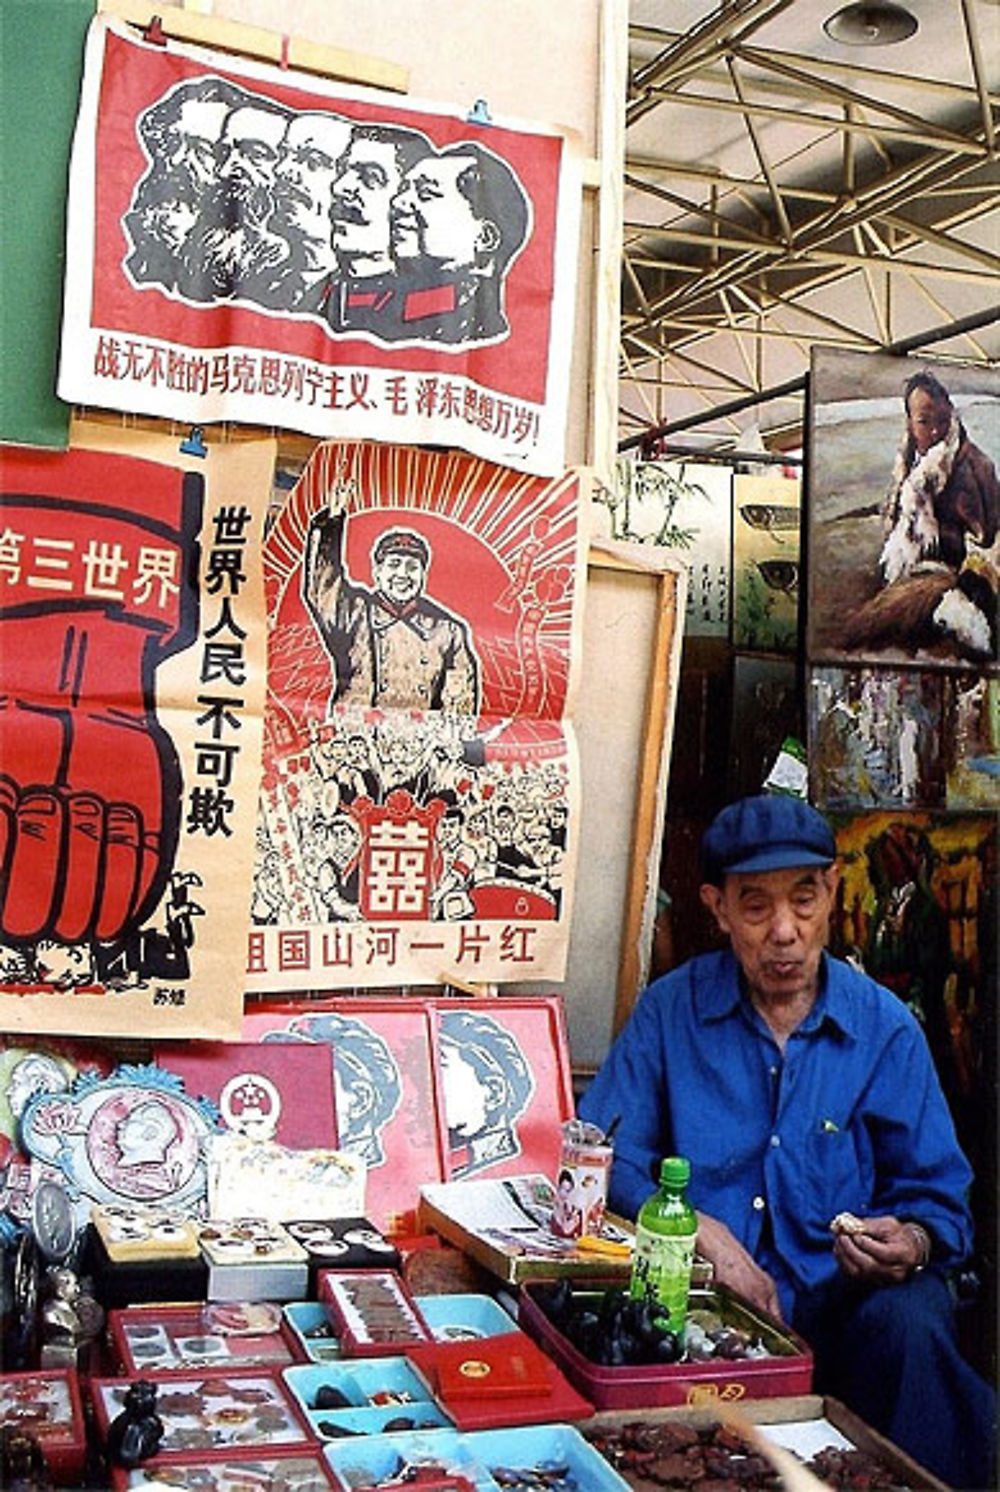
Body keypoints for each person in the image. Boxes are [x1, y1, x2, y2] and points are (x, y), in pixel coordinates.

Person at [579, 793, 995, 1491]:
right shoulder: (670, 1013)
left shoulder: (885, 1031)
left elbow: (939, 1201)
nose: (785, 932)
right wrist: (699, 1230)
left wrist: (912, 1240)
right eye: (755, 907)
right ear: (716, 907)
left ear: (832, 892)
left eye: (804, 902)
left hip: (844, 1318)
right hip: (700, 1314)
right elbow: (602, 1156)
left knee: (914, 1320)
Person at [303, 504, 481, 716]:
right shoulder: (354, 613)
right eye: (394, 564)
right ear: (378, 572)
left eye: (413, 567)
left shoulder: (448, 630)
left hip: (419, 742)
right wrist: (331, 524)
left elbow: (460, 700)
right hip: (357, 739)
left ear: (423, 575)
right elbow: (323, 587)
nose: (403, 575)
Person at [388, 141, 530, 343]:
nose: (398, 203)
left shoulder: (476, 331)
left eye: (426, 193)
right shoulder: (386, 312)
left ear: (484, 238)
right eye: (403, 189)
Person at [880, 369, 999, 584]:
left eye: (943, 420)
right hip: (911, 575)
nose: (935, 431)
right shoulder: (906, 465)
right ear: (910, 423)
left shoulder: (977, 466)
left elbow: (989, 540)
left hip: (958, 586)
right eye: (924, 422)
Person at [326, 122, 430, 335]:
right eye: (342, 170)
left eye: (370, 177)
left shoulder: (423, 318)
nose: (340, 187)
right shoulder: (311, 296)